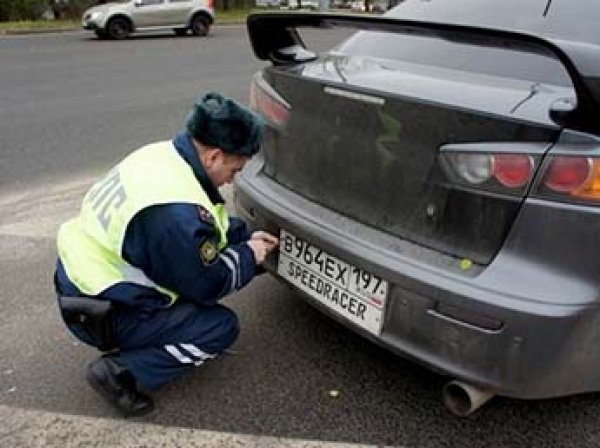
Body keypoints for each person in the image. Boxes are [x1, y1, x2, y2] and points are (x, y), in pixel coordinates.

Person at [54, 92, 279, 417]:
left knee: (205, 275)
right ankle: (120, 371)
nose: (236, 177)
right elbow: (208, 284)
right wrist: (249, 255)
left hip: (81, 280)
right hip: (100, 312)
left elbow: (204, 227)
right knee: (218, 327)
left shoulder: (162, 156)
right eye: (236, 167)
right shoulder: (174, 216)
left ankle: (141, 339)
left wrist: (244, 238)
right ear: (214, 156)